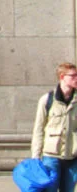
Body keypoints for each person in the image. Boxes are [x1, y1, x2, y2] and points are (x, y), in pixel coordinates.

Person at [31, 62, 77, 192]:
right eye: (73, 76)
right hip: (51, 156)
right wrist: (35, 155)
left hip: (73, 157)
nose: (76, 78)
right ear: (62, 77)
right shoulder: (47, 100)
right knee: (49, 189)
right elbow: (38, 129)